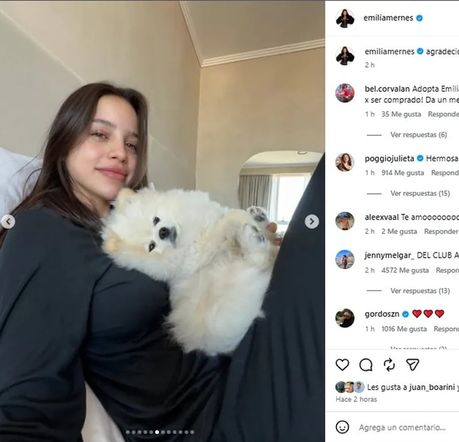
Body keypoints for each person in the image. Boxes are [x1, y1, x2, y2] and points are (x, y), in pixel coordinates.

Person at [0, 83, 325, 441]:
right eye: (100, 134)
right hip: (207, 424)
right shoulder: (43, 229)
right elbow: (26, 397)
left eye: (131, 144)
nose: (120, 153)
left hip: (232, 370)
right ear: (64, 141)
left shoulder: (127, 221)